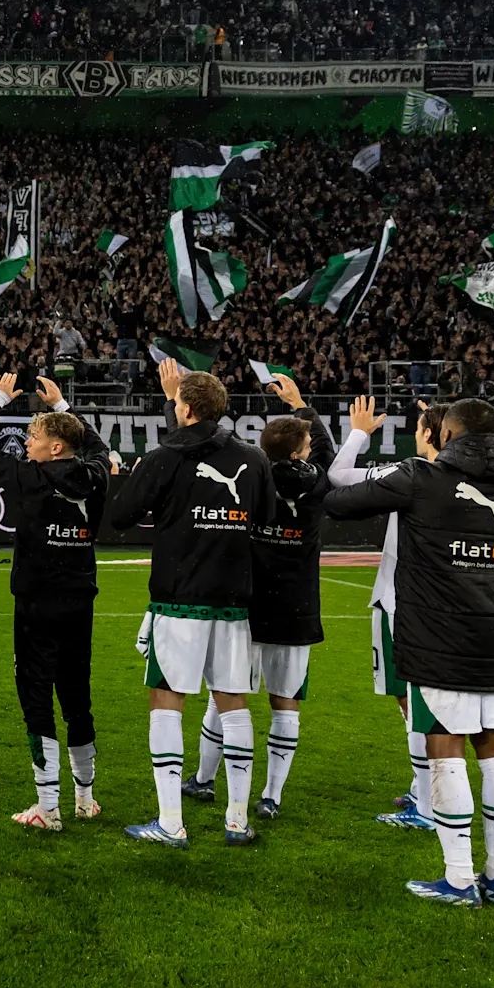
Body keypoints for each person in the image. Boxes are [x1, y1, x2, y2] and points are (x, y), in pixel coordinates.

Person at [325, 397, 494, 907]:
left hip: (439, 637)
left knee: (444, 748)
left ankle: (460, 878)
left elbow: (338, 501)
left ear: (448, 432)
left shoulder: (421, 478)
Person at [108, 360, 275, 848]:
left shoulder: (164, 458)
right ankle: (238, 820)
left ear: (182, 408)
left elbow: (120, 516)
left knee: (167, 701)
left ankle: (170, 822)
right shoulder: (254, 458)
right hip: (233, 600)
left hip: (178, 599)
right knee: (233, 703)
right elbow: (263, 521)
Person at [187, 374, 333, 819]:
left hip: (247, 606)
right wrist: (302, 404)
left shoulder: (252, 480)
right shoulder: (321, 484)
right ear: (297, 453)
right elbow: (323, 453)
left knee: (225, 697)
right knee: (285, 703)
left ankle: (204, 780)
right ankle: (271, 796)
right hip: (298, 608)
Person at [0, 372, 111, 829]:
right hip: (79, 599)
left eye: (34, 435)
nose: (27, 443)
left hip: (35, 601)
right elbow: (96, 449)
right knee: (77, 695)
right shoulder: (95, 474)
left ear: (55, 447)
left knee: (36, 696)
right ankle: (86, 798)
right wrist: (65, 407)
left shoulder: (29, 478)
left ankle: (48, 807)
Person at [330, 397, 449, 830]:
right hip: (453, 607)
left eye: (420, 427)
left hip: (403, 603)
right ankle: (426, 790)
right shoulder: (485, 476)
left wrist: (359, 431)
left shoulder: (411, 475)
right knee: (437, 705)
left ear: (431, 434)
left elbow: (338, 479)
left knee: (414, 703)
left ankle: (429, 804)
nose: (414, 433)